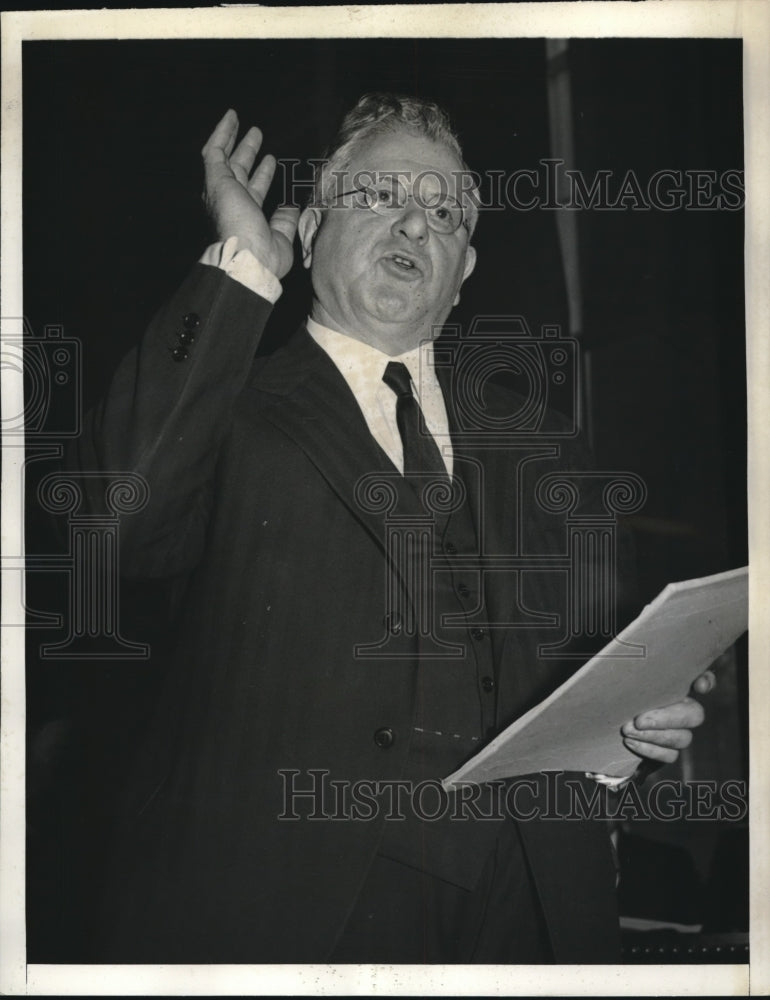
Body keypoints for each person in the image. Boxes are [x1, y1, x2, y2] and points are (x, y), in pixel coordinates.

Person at [71, 93, 714, 963]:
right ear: (310, 231)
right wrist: (242, 270)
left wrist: (628, 739)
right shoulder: (230, 407)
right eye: (381, 196)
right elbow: (119, 528)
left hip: (526, 914)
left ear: (465, 270)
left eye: (443, 213)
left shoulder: (551, 450)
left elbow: (594, 683)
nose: (415, 224)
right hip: (278, 914)